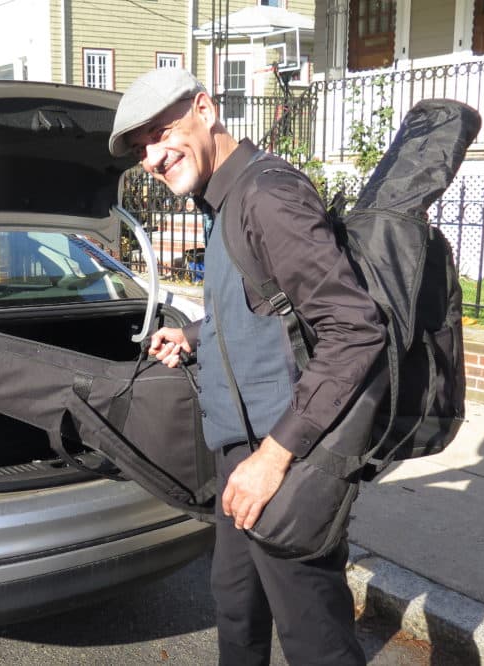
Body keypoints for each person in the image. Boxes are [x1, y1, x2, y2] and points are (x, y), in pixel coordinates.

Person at [108, 68, 386, 665]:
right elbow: (269, 315)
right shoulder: (224, 199)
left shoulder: (267, 194)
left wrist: (274, 456)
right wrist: (192, 336)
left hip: (287, 455)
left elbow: (352, 329)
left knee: (314, 636)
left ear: (204, 109)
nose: (153, 158)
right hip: (243, 452)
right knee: (236, 607)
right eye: (142, 149)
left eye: (161, 133)